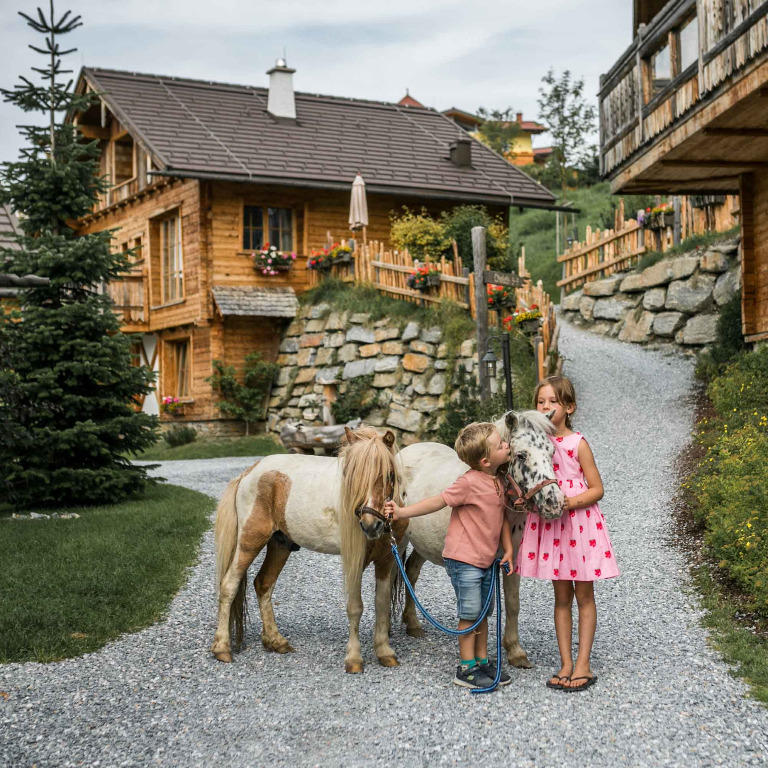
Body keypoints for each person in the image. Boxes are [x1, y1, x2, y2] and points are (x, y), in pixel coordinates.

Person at [385, 422, 515, 690]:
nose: (507, 446)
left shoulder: (498, 481)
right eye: (501, 444)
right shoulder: (468, 483)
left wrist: (509, 549)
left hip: (487, 560)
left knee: (483, 614)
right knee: (469, 615)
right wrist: (402, 512)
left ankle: (482, 661)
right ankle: (466, 669)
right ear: (485, 459)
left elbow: (501, 517)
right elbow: (438, 501)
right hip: (464, 559)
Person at [517, 375, 619, 692]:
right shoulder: (533, 444)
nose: (546, 407)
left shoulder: (578, 443)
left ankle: (584, 664)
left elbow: (597, 489)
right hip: (552, 527)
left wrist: (567, 503)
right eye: (540, 402)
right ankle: (565, 662)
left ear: (569, 407)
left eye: (553, 402)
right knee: (561, 597)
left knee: (583, 595)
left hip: (578, 524)